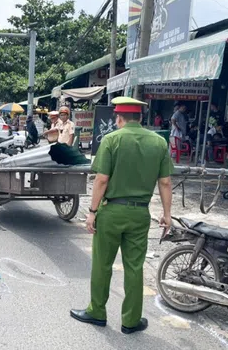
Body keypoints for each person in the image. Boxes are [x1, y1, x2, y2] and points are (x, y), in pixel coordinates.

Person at [70, 96, 173, 335]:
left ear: (119, 118)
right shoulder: (159, 143)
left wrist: (92, 212)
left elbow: (101, 179)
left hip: (111, 212)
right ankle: (131, 321)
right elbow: (166, 182)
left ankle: (97, 312)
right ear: (139, 117)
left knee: (102, 264)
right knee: (135, 267)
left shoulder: (111, 140)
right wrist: (167, 214)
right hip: (140, 214)